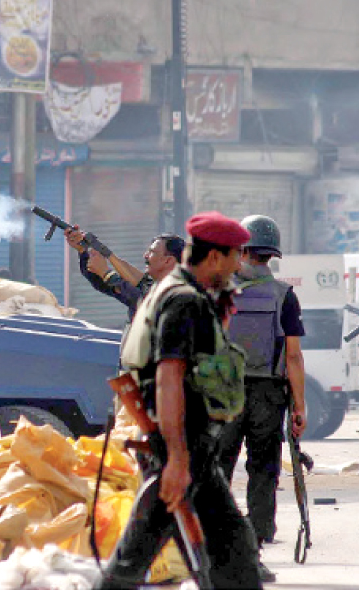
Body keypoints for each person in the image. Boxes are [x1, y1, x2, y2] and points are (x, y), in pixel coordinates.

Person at [96, 211, 262, 590]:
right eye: (236, 255)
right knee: (135, 559)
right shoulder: (184, 302)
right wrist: (177, 457)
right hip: (180, 446)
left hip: (188, 447)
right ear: (215, 257)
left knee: (232, 549)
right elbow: (169, 379)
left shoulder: (177, 291)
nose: (240, 264)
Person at [218, 214, 307, 583]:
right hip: (268, 394)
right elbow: (293, 356)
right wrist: (299, 405)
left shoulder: (218, 291)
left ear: (241, 250)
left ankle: (218, 539)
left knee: (219, 467)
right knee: (263, 467)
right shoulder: (284, 295)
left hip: (224, 391)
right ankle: (256, 538)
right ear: (271, 255)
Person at [64, 227, 184, 320]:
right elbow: (103, 284)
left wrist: (107, 274)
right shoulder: (151, 286)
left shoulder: (178, 294)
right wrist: (83, 251)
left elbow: (141, 302)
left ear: (168, 260)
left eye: (152, 252)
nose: (146, 256)